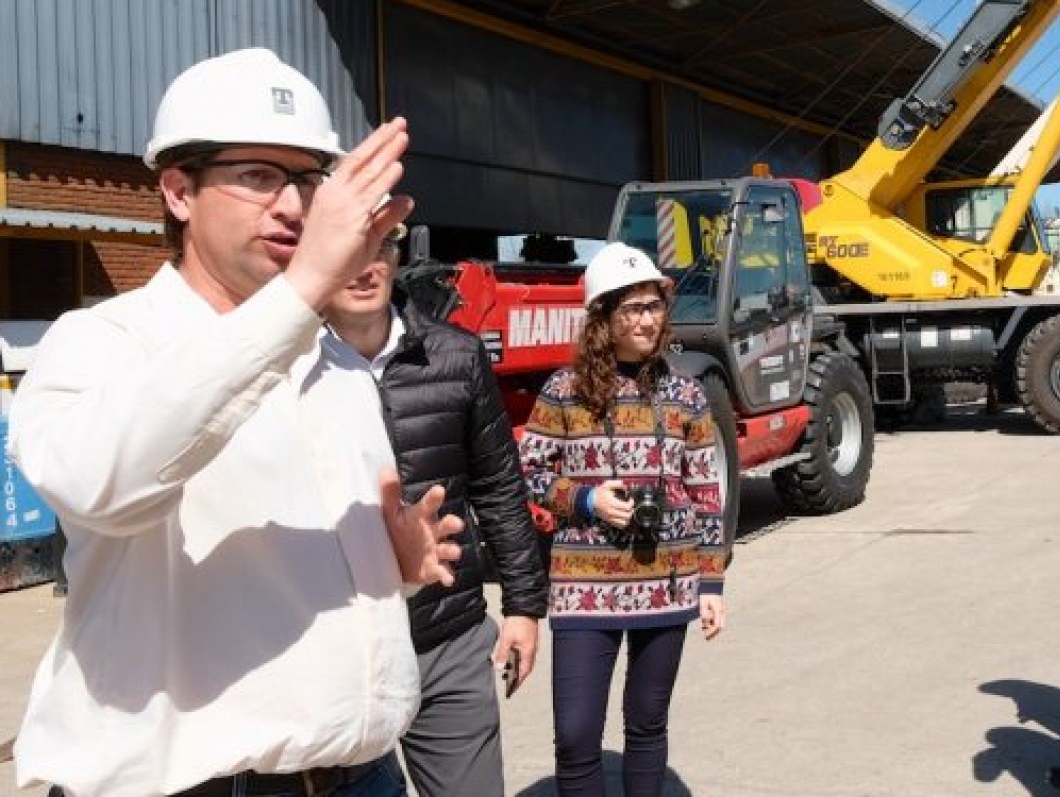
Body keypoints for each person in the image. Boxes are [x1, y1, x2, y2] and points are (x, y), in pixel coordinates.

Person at [8, 48, 462, 796]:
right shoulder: (103, 343)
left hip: (363, 776)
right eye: (258, 176)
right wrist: (306, 287)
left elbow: (285, 589)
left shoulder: (338, 366)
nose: (293, 206)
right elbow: (102, 485)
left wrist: (394, 573)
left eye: (309, 180)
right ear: (178, 192)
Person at [325, 226, 551, 796]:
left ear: (397, 255)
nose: (365, 266)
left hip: (445, 638)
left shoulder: (454, 355)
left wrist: (524, 607)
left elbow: (499, 486)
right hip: (337, 651)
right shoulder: (287, 372)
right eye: (349, 247)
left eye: (379, 248)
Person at [517, 242, 729, 797]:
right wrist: (586, 501)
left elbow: (706, 489)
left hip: (667, 581)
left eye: (653, 306)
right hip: (583, 587)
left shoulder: (685, 394)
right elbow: (528, 470)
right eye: (631, 308)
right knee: (576, 734)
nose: (645, 319)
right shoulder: (563, 393)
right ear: (602, 318)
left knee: (647, 723)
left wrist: (711, 581)